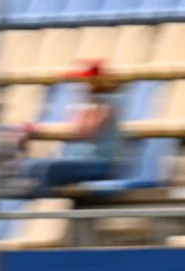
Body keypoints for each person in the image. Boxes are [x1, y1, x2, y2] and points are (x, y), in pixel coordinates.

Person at [19, 63, 125, 195]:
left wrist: (81, 100)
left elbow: (84, 131)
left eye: (83, 82)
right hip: (89, 161)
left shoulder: (106, 103)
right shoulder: (95, 103)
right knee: (33, 167)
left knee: (46, 169)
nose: (78, 86)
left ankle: (33, 207)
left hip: (103, 163)